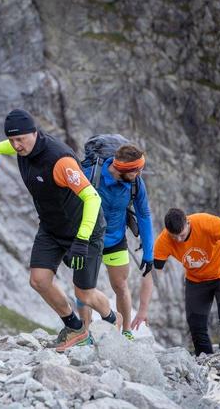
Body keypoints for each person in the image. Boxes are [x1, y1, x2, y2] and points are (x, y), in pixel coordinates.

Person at [0, 109, 122, 352]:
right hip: (51, 226)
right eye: (12, 140)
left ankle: (113, 320)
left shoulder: (60, 161)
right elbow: (4, 146)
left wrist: (81, 239)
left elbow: (92, 199)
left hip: (84, 230)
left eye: (21, 140)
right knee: (39, 280)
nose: (16, 146)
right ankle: (75, 327)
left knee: (85, 293)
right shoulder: (20, 146)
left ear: (34, 133)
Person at [149, 208, 220, 355]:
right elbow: (154, 273)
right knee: (196, 326)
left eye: (182, 235)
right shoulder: (164, 240)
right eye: (174, 237)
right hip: (196, 280)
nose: (179, 240)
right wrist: (144, 307)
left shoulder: (206, 223)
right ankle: (206, 363)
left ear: (188, 222)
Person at [77, 144, 155, 340]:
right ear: (124, 169)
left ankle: (126, 331)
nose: (140, 174)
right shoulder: (91, 174)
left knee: (120, 286)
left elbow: (144, 214)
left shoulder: (136, 183)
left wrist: (148, 253)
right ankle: (84, 331)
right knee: (84, 286)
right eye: (137, 170)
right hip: (89, 239)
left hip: (116, 239)